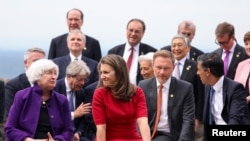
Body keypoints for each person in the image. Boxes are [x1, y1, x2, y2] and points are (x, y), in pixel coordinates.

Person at [4, 59, 73, 141]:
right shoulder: (22, 96)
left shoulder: (62, 100)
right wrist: (27, 139)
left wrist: (57, 140)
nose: (54, 77)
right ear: (37, 76)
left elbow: (68, 130)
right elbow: (10, 128)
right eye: (49, 73)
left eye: (55, 73)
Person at [138, 50, 195, 141]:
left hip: (169, 134)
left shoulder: (185, 88)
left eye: (166, 68)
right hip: (146, 132)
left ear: (173, 67)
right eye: (159, 67)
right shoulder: (143, 85)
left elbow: (188, 119)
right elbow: (138, 116)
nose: (162, 72)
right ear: (153, 66)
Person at [92, 55, 151, 141]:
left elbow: (143, 123)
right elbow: (101, 128)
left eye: (106, 72)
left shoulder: (137, 92)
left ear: (119, 72)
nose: (102, 77)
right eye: (101, 73)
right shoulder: (99, 94)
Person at [196, 53, 249, 141]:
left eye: (199, 70)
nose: (197, 73)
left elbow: (235, 120)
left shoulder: (235, 89)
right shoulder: (208, 86)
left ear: (208, 71)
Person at [170, 34, 204, 139]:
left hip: (188, 114)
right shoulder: (167, 65)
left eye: (179, 45)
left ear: (188, 48)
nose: (176, 48)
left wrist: (197, 118)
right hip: (169, 114)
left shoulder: (195, 66)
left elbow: (200, 94)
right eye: (174, 45)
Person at [108, 18, 157, 85]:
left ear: (143, 33)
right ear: (126, 31)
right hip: (117, 92)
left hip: (141, 92)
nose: (133, 34)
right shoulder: (113, 52)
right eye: (131, 30)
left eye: (137, 31)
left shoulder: (151, 52)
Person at [54, 60, 95, 141]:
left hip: (75, 136)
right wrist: (74, 114)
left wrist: (78, 132)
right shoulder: (55, 89)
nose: (83, 83)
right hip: (58, 134)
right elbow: (52, 116)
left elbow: (84, 118)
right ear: (69, 76)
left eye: (85, 80)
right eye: (79, 79)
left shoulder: (82, 92)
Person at [4, 47, 45, 117]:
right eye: (35, 61)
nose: (39, 65)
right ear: (26, 63)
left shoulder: (50, 83)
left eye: (42, 62)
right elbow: (10, 113)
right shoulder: (13, 86)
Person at [234, 31, 250, 112]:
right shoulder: (241, 65)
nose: (248, 47)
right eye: (246, 44)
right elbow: (235, 87)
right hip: (242, 109)